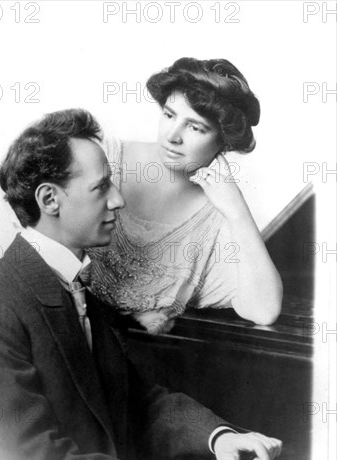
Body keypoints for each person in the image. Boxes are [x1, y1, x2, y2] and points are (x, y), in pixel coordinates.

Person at [0, 109, 282, 460]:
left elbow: (136, 401)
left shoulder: (71, 282)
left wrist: (218, 438)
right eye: (101, 187)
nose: (118, 200)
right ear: (49, 200)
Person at [89, 57, 283, 334]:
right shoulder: (104, 159)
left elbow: (264, 310)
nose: (172, 136)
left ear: (224, 141)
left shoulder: (218, 220)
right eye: (169, 115)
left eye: (195, 127)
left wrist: (237, 210)